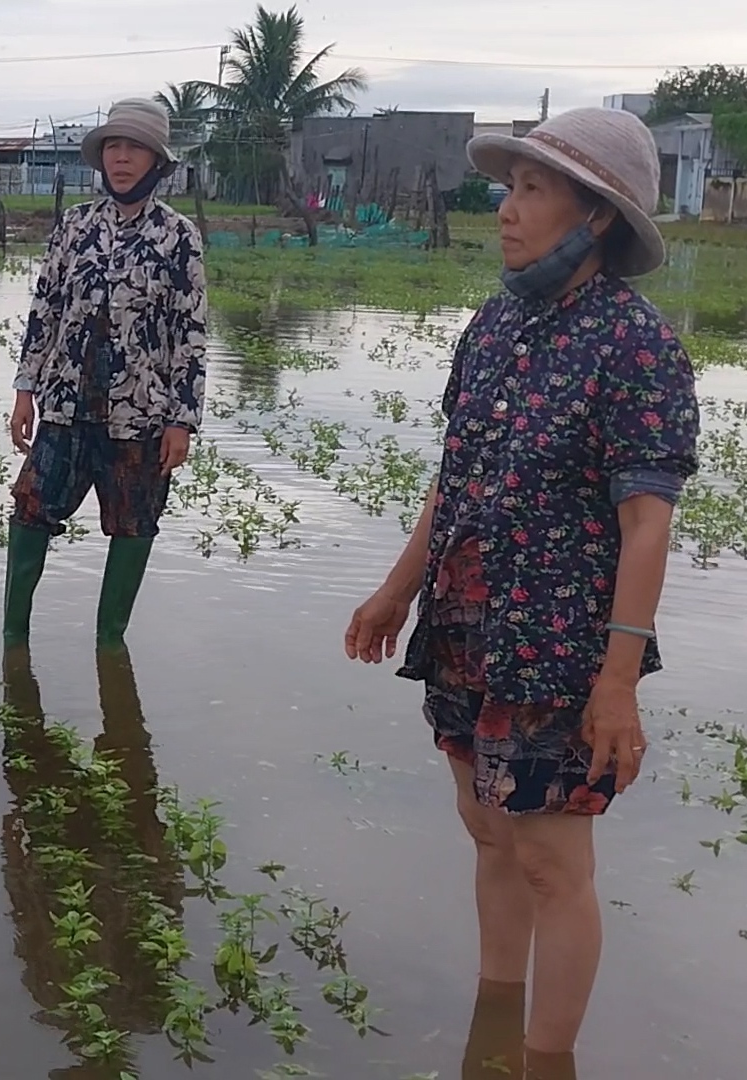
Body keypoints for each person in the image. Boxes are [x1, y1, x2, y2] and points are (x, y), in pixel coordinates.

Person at [344, 107, 700, 1070]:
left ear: (596, 219)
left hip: (560, 647)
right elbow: (454, 478)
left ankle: (548, 1060)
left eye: (532, 188)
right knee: (489, 835)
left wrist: (616, 681)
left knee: (550, 861)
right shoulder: (495, 322)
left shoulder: (635, 346)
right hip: (467, 624)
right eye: (511, 186)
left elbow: (646, 523)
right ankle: (491, 1028)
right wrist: (393, 593)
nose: (506, 207)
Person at [4, 96, 207, 651]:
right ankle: (13, 641)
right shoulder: (74, 227)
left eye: (134, 148)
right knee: (29, 512)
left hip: (140, 416)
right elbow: (44, 311)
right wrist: (26, 389)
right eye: (113, 147)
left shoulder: (179, 237)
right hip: (66, 407)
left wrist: (182, 421)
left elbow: (190, 336)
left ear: (156, 161)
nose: (121, 158)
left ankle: (109, 646)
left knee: (134, 525)